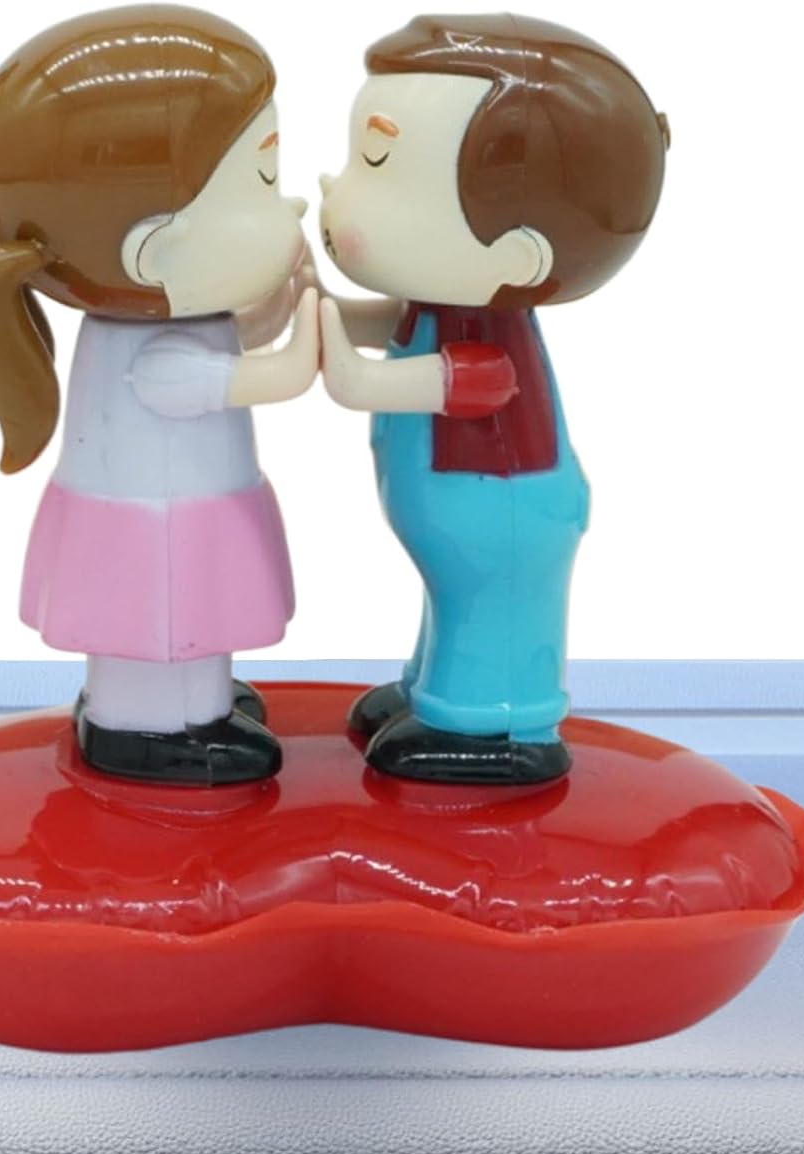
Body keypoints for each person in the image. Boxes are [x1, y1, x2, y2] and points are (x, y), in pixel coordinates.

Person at [0, 8, 318, 785]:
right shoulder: (150, 357)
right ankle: (145, 728)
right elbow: (271, 376)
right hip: (158, 525)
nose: (288, 207)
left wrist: (284, 302)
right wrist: (316, 338)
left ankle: (194, 703)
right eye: (261, 183)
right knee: (158, 621)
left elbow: (238, 341)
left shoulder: (177, 315)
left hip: (186, 507)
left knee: (190, 618)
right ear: (154, 249)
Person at [317, 14, 669, 783]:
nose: (336, 195)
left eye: (379, 166)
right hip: (460, 502)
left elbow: (418, 380)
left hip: (499, 505)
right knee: (454, 592)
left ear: (516, 252)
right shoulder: (441, 301)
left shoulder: (491, 342)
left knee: (489, 605)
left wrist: (341, 363)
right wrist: (328, 311)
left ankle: (498, 722)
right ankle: (434, 690)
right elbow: (399, 333)